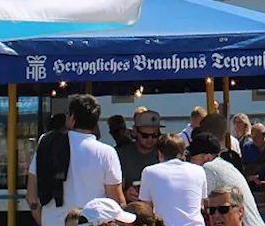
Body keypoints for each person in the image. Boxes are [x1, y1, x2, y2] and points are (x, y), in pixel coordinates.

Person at [27, 94, 125, 226]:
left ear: (72, 118)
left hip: (52, 221)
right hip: (91, 222)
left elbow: (31, 197)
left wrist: (44, 220)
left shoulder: (46, 143)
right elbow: (116, 200)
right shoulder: (107, 152)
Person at [188, 132, 264, 226]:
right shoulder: (225, 165)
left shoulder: (208, 168)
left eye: (193, 160)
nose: (191, 164)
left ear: (207, 157)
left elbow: (193, 205)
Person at [137, 134, 207, 226]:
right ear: (183, 153)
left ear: (159, 153)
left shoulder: (149, 172)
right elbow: (202, 204)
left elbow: (146, 209)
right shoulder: (199, 170)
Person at [119, 110, 163, 199]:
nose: (150, 140)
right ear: (135, 131)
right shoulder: (122, 154)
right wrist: (125, 195)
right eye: (145, 135)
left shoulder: (165, 152)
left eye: (155, 135)